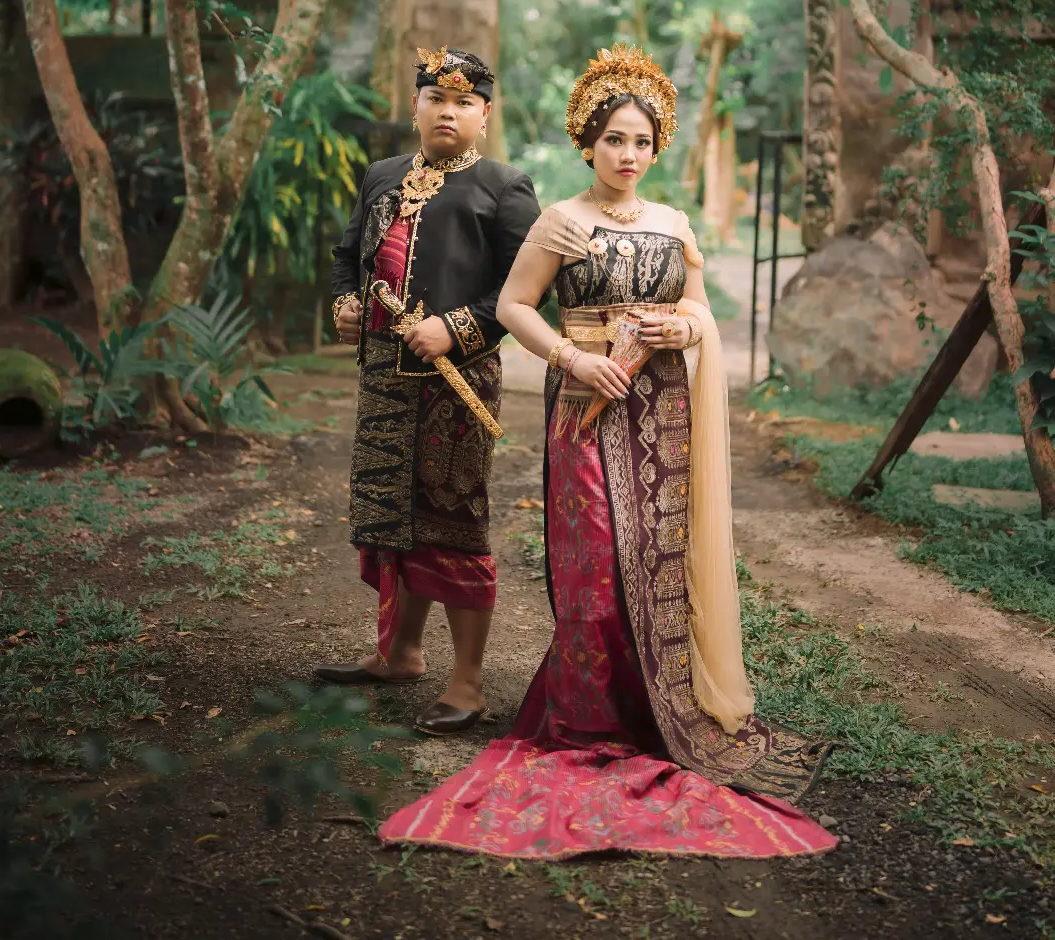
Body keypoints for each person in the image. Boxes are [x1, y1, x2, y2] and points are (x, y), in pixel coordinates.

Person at [379, 44, 835, 858]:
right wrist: (572, 357)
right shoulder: (560, 220)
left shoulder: (674, 224)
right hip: (585, 405)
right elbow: (515, 306)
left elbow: (699, 308)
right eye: (614, 139)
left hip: (659, 413)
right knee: (593, 563)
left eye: (642, 142)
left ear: (657, 149)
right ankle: (587, 719)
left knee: (654, 560)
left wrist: (682, 329)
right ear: (587, 143)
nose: (628, 155)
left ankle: (658, 710)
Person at [317, 46, 540, 736]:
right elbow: (346, 258)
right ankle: (400, 655)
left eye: (464, 102)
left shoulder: (505, 188)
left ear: (485, 114)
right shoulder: (382, 175)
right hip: (384, 380)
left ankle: (467, 683)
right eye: (436, 99)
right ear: (415, 106)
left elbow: (525, 290)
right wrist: (346, 303)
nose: (448, 111)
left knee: (454, 521)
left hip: (457, 385)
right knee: (393, 520)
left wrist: (457, 327)